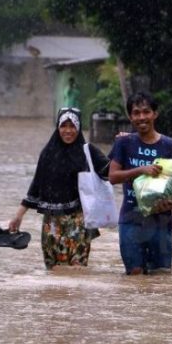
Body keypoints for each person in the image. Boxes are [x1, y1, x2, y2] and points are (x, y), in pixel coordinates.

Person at [8, 108, 109, 270]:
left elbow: (110, 171)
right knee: (55, 271)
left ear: (78, 128)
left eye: (72, 126)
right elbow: (35, 187)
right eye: (63, 126)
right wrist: (18, 216)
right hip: (51, 222)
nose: (68, 131)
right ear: (58, 127)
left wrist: (122, 144)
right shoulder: (48, 153)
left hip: (79, 220)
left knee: (77, 270)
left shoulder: (87, 151)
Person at [108, 91, 172, 275]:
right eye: (136, 113)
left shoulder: (171, 146)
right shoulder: (124, 143)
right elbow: (113, 177)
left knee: (161, 278)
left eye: (146, 112)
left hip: (161, 222)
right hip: (131, 220)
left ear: (155, 114)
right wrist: (141, 170)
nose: (141, 117)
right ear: (130, 116)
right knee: (134, 277)